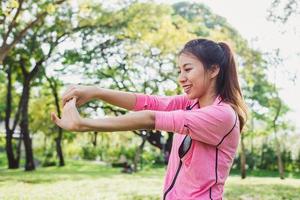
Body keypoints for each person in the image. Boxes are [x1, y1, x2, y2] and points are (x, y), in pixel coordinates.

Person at [51, 38, 247, 200]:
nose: (181, 78)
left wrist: (84, 124)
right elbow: (148, 102)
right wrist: (97, 92)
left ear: (213, 70)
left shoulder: (223, 115)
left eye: (188, 69)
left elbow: (151, 118)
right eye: (179, 71)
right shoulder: (190, 103)